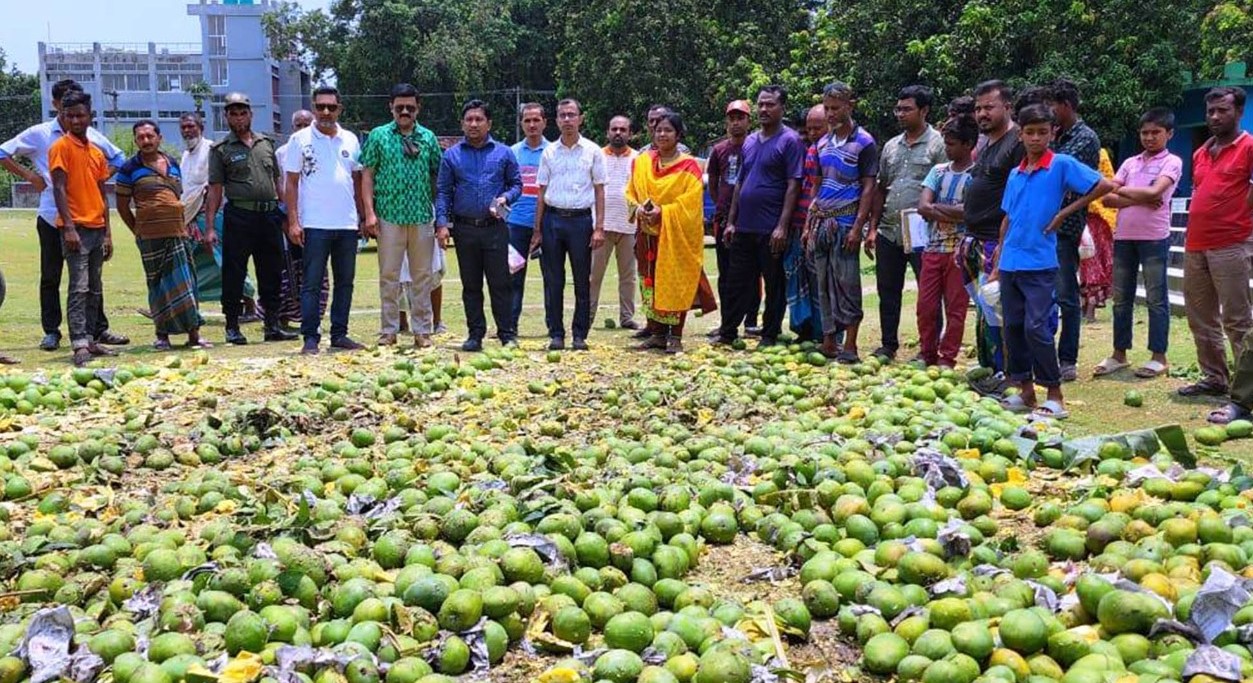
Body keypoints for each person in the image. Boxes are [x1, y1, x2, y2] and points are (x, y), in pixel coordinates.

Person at [993, 104, 1113, 419]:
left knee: (1037, 327)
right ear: (1020, 134)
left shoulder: (1060, 164)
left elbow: (1104, 185)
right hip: (1011, 262)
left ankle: (1055, 395)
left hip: (1040, 263)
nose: (1035, 138)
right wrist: (998, 254)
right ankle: (1026, 391)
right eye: (1029, 132)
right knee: (1014, 328)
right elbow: (1008, 217)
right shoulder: (1015, 174)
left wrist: (1064, 213)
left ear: (1052, 133)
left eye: (1042, 132)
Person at [0, 78, 129, 352]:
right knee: (52, 275)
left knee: (89, 280)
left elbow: (119, 158)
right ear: (56, 104)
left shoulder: (92, 137)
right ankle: (52, 331)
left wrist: (93, 181)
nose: (72, 117)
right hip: (51, 215)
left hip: (89, 217)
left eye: (78, 111)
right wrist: (30, 175)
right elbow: (3, 152)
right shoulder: (41, 134)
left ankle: (96, 330)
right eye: (65, 108)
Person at [1093, 108, 1181, 380]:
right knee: (1121, 300)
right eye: (1145, 132)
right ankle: (1119, 354)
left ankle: (1158, 356)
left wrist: (1131, 193)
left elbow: (1156, 192)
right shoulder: (1130, 163)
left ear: (1169, 134)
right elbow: (1107, 197)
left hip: (1154, 238)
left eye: (1156, 132)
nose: (1150, 137)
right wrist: (1142, 197)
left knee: (1156, 299)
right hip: (1124, 237)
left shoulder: (1172, 162)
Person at [715, 85, 805, 348]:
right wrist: (732, 221)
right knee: (736, 281)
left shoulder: (790, 141)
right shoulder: (751, 140)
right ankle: (728, 332)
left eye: (770, 104)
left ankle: (769, 333)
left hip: (771, 228)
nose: (764, 109)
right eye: (761, 104)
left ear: (782, 108)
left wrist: (782, 226)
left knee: (774, 283)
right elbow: (740, 183)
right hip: (745, 226)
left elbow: (794, 184)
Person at [1177, 87, 1253, 397]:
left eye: (1222, 110)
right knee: (1200, 317)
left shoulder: (1249, 147)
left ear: (1239, 112)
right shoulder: (1200, 153)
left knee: (1237, 320)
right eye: (1210, 111)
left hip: (1232, 243)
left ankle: (1246, 390)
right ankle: (1214, 377)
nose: (1215, 116)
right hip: (1196, 244)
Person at [207, 92, 296, 345]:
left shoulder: (266, 143)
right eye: (233, 113)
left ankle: (272, 325)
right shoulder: (220, 150)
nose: (238, 118)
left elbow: (277, 181)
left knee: (272, 272)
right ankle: (232, 326)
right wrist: (211, 226)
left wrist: (288, 216)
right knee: (234, 272)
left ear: (250, 114)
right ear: (226, 116)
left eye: (242, 112)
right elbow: (215, 190)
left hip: (269, 216)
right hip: (239, 216)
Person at [435, 99, 523, 351]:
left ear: (489, 123)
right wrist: (442, 224)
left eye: (479, 119)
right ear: (462, 124)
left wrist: (506, 197)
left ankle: (507, 333)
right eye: (469, 120)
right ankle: (475, 334)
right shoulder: (451, 155)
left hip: (495, 228)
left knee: (500, 283)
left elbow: (516, 184)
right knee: (471, 285)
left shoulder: (504, 153)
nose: (473, 124)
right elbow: (443, 191)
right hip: (465, 229)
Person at [625, 111, 717, 353]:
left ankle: (675, 336)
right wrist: (639, 209)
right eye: (658, 130)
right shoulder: (643, 161)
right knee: (650, 283)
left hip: (676, 238)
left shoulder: (688, 166)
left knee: (675, 283)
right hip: (647, 235)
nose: (662, 134)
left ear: (678, 135)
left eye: (668, 130)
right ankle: (656, 333)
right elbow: (631, 192)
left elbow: (690, 203)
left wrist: (663, 212)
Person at [284, 85, 365, 355]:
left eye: (331, 106)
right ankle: (310, 337)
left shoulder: (351, 139)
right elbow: (291, 183)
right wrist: (294, 221)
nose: (326, 112)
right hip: (314, 224)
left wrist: (363, 216)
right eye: (321, 107)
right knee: (312, 282)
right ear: (314, 108)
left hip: (346, 224)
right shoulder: (300, 140)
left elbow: (357, 180)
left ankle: (339, 334)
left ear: (340, 108)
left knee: (345, 282)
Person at [115, 120, 210, 350]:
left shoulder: (172, 163)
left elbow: (178, 195)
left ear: (159, 138)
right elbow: (122, 206)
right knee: (158, 286)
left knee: (186, 283)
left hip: (178, 233)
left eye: (150, 136)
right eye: (141, 137)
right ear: (136, 141)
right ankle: (162, 336)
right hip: (149, 237)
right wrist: (138, 229)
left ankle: (194, 335)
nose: (146, 141)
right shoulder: (129, 169)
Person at [360, 83, 442, 347]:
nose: (404, 111)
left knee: (422, 276)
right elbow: (367, 175)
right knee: (389, 276)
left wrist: (438, 216)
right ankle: (389, 330)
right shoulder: (378, 136)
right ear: (391, 107)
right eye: (399, 107)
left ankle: (422, 331)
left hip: (420, 216)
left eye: (410, 107)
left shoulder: (428, 137)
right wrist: (369, 213)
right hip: (388, 216)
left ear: (418, 108)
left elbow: (436, 177)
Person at [801, 82, 879, 362]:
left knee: (847, 284)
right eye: (828, 108)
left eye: (836, 108)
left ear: (850, 106)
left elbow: (869, 187)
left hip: (846, 222)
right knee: (822, 283)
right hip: (822, 220)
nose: (831, 114)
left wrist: (859, 227)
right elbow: (817, 185)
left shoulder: (865, 142)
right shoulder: (822, 143)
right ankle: (828, 341)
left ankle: (851, 344)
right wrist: (810, 223)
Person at [869, 85, 947, 362]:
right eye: (898, 109)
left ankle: (930, 348)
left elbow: (945, 185)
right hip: (890, 228)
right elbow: (881, 188)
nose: (900, 114)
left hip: (924, 231)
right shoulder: (891, 145)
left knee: (928, 293)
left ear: (924, 111)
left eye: (906, 109)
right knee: (887, 290)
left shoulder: (939, 144)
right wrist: (873, 226)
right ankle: (888, 344)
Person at [960, 81, 1025, 395]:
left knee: (1001, 311)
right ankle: (992, 369)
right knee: (985, 311)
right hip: (973, 239)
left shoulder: (1017, 143)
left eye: (989, 107)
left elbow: (1019, 200)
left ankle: (1011, 375)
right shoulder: (984, 143)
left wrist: (1004, 246)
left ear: (1007, 107)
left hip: (996, 242)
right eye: (978, 108)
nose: (982, 114)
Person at [529, 98, 607, 351]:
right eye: (562, 115)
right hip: (552, 220)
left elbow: (599, 192)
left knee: (582, 280)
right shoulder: (549, 152)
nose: (567, 120)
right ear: (556, 120)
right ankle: (556, 333)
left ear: (580, 118)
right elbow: (541, 192)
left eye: (571, 115)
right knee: (553, 280)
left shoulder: (593, 151)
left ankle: (579, 334)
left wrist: (599, 228)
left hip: (581, 221)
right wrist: (537, 230)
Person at [48, 91, 117, 367]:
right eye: (70, 115)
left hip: (97, 227)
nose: (76, 120)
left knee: (95, 288)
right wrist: (68, 228)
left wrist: (109, 232)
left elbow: (102, 194)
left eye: (81, 115)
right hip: (76, 227)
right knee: (78, 286)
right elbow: (59, 188)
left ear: (90, 116)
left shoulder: (96, 152)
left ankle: (90, 337)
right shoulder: (60, 148)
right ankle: (78, 343)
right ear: (63, 117)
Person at [1044, 78, 1102, 382]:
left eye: (1052, 106)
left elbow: (1059, 175)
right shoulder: (1057, 134)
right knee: (1042, 294)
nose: (1048, 113)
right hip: (1041, 226)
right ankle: (1043, 354)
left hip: (1065, 227)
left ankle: (1067, 359)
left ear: (1065, 105)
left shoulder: (1085, 138)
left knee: (1066, 294)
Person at [178, 112, 262, 323]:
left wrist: (207, 220)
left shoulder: (211, 150)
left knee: (225, 260)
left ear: (201, 127)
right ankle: (185, 305)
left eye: (191, 126)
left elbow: (214, 187)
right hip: (190, 217)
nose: (188, 131)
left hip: (212, 217)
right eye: (184, 127)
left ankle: (250, 305)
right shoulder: (186, 155)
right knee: (192, 263)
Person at [916, 114, 978, 367]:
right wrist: (951, 211)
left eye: (952, 144)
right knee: (926, 307)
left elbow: (971, 212)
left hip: (959, 252)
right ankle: (927, 353)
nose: (946, 148)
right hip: (933, 248)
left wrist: (936, 209)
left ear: (968, 144)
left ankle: (947, 357)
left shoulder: (977, 175)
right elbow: (922, 206)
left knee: (956, 308)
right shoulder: (938, 171)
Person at [705, 100, 753, 339]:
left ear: (748, 121)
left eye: (740, 118)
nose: (736, 123)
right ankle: (727, 321)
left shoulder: (755, 146)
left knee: (751, 274)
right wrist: (721, 206)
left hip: (750, 219)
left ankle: (751, 322)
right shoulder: (720, 150)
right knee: (726, 274)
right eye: (732, 118)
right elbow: (713, 182)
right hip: (724, 219)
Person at [591, 115, 640, 330]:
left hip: (629, 227)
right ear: (607, 132)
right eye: (614, 129)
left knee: (628, 277)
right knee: (593, 275)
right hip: (600, 227)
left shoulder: (639, 159)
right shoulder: (596, 156)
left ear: (630, 133)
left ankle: (627, 317)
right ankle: (587, 316)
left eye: (623, 129)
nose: (618, 133)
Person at [785, 104, 827, 342]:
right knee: (796, 278)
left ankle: (825, 333)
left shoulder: (823, 152)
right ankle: (803, 330)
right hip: (796, 225)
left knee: (819, 281)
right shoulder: (801, 153)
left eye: (814, 129)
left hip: (818, 225)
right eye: (805, 131)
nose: (810, 135)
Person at [507, 103, 549, 333]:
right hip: (515, 226)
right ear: (521, 124)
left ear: (544, 122)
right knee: (513, 278)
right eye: (527, 120)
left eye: (536, 120)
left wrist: (541, 227)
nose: (532, 125)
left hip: (547, 225)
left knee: (551, 278)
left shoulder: (553, 151)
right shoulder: (512, 152)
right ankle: (509, 326)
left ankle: (554, 328)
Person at [275, 109, 319, 328]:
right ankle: (285, 316)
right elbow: (281, 185)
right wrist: (289, 217)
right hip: (290, 219)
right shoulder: (282, 152)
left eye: (306, 124)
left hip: (316, 219)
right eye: (298, 125)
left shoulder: (321, 147)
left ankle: (313, 317)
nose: (302, 129)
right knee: (288, 269)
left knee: (315, 269)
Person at [1079, 149, 1117, 322]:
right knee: (1080, 265)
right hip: (1075, 216)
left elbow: (1110, 184)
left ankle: (1090, 309)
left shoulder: (1100, 154)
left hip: (1098, 218)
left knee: (1093, 264)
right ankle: (1081, 306)